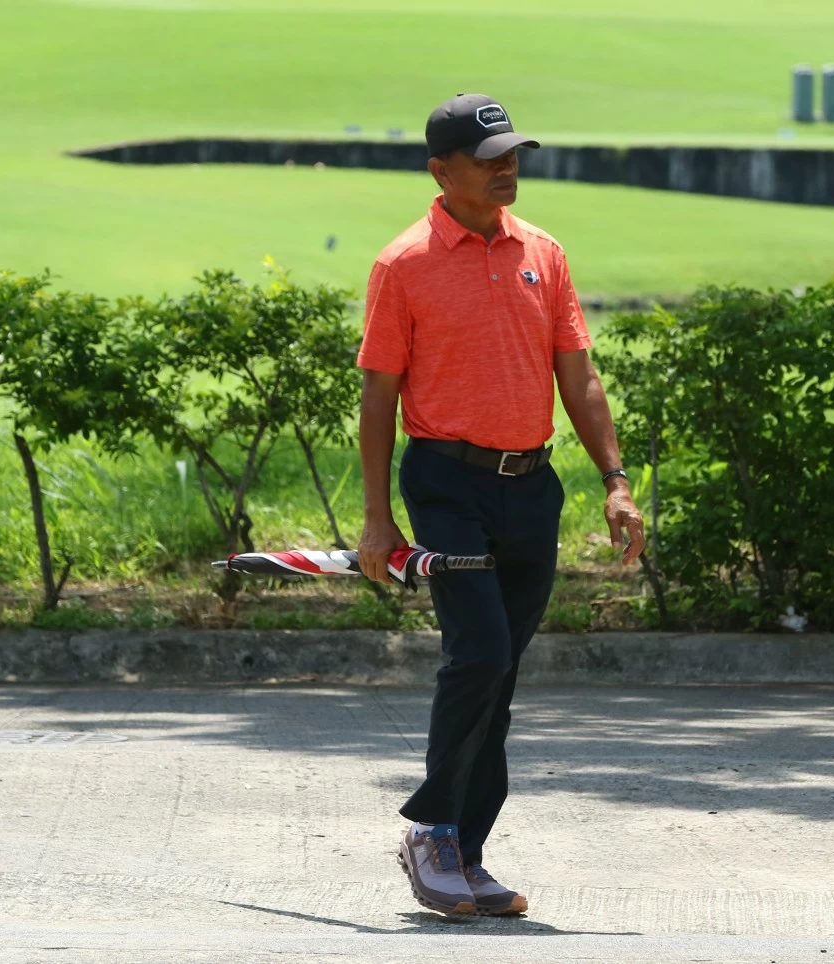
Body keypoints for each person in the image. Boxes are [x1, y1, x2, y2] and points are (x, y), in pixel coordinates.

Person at [356, 93, 645, 917]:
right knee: (478, 654)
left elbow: (579, 376)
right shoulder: (402, 263)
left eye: (512, 153)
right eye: (489, 158)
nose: (507, 168)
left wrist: (614, 481)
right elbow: (380, 397)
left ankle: (466, 854)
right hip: (446, 481)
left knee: (502, 673)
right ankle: (431, 831)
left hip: (533, 487)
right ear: (441, 171)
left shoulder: (542, 253)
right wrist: (379, 520)